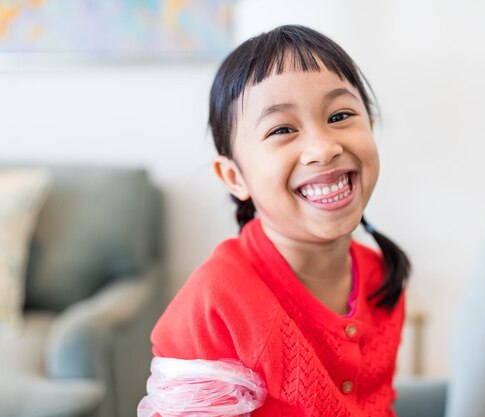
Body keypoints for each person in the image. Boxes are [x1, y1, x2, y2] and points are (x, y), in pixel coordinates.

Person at [140, 24, 411, 417]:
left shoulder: (382, 278)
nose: (323, 148)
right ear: (234, 177)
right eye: (282, 129)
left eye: (340, 115)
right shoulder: (214, 302)